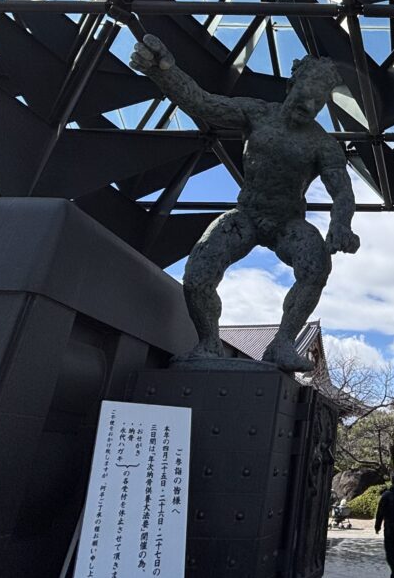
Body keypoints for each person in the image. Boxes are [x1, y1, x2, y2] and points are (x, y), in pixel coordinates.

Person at [130, 36, 360, 369]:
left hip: (287, 223)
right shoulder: (258, 114)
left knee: (316, 264)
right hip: (247, 215)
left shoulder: (323, 144)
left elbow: (342, 191)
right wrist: (163, 71)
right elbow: (203, 103)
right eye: (306, 95)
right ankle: (209, 343)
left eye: (319, 102)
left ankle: (282, 343)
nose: (310, 106)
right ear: (290, 86)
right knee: (197, 274)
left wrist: (341, 224)